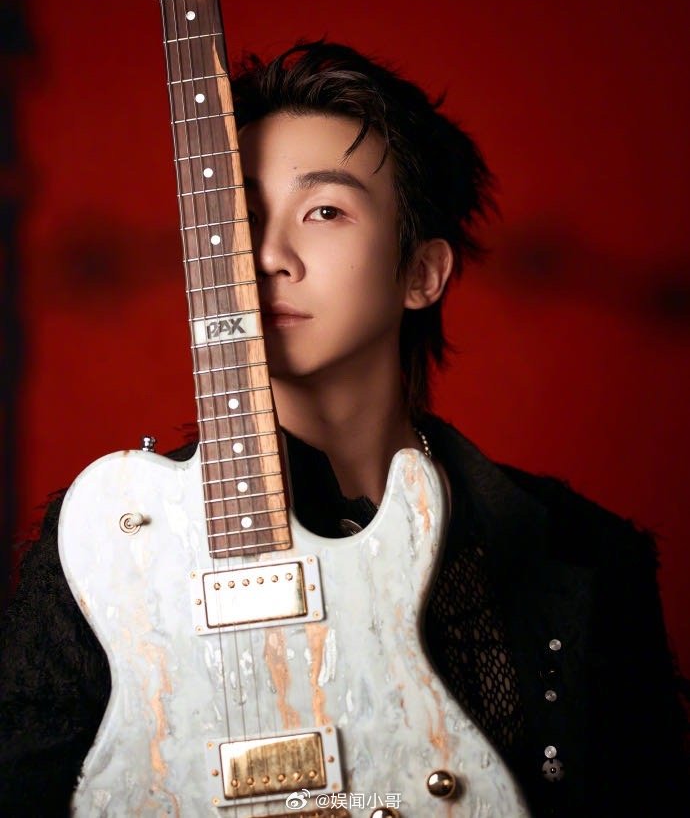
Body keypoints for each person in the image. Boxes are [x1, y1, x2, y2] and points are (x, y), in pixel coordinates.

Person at [0, 41, 687, 816]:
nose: (265, 255)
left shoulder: (579, 551)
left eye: (325, 211)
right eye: (240, 215)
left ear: (422, 272)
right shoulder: (111, 545)